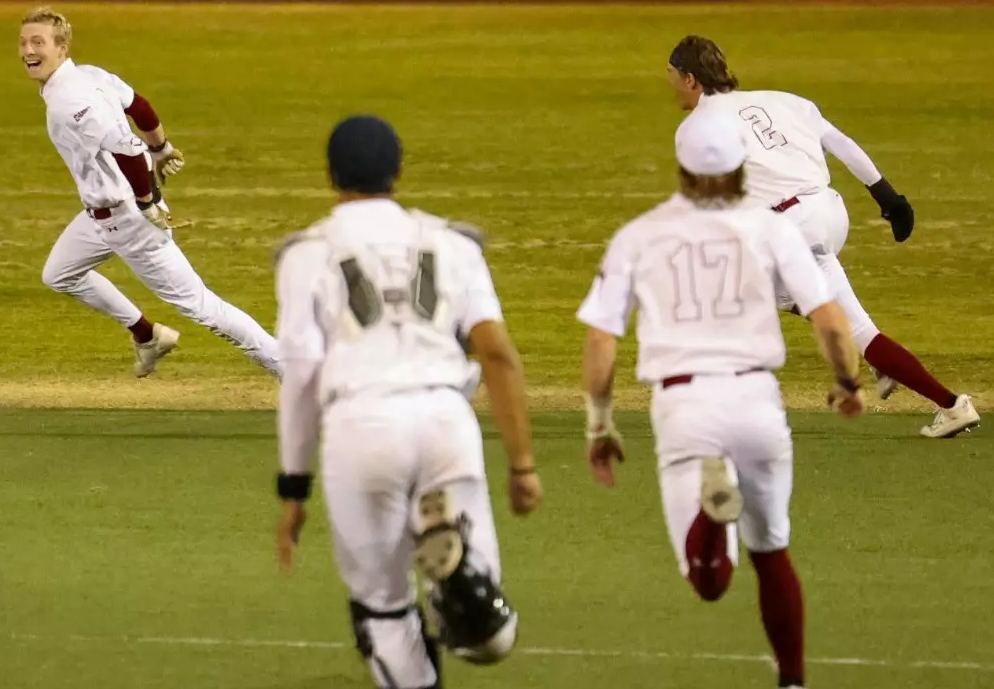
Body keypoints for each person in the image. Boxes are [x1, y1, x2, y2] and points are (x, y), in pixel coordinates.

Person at [579, 108, 866, 689]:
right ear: (740, 168)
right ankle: (792, 681)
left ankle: (714, 515)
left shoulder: (640, 234)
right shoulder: (772, 229)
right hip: (757, 402)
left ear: (682, 168)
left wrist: (599, 424)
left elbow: (601, 342)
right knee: (772, 551)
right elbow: (832, 323)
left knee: (708, 582)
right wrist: (848, 384)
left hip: (683, 411)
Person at [272, 116, 541, 688]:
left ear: (330, 175)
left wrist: (293, 488)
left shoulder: (306, 254)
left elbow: (300, 376)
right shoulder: (452, 243)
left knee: (384, 608)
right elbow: (496, 353)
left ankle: (433, 618)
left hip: (361, 425)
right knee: (484, 632)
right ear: (399, 171)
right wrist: (522, 465)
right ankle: (460, 574)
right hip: (446, 418)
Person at [666, 35, 977, 438]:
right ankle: (952, 405)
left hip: (787, 228)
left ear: (691, 79)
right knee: (839, 320)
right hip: (828, 213)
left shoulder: (695, 128)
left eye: (673, 76)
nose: (671, 84)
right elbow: (843, 146)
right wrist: (889, 198)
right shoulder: (787, 100)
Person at [19, 7, 279, 377]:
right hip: (104, 213)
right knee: (60, 274)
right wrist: (161, 149)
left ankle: (289, 367)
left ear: (61, 48)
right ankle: (147, 335)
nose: (28, 50)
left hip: (130, 218)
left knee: (201, 305)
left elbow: (125, 148)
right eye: (24, 42)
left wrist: (148, 201)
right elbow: (139, 107)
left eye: (38, 42)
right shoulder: (90, 75)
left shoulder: (68, 101)